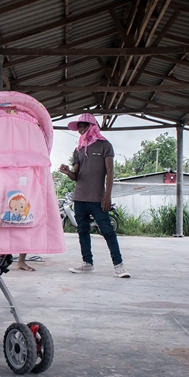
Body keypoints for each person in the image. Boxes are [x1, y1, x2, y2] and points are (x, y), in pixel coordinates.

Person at [58, 112, 130, 278]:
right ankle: (87, 263)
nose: (80, 129)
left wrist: (107, 196)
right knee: (82, 231)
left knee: (107, 231)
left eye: (83, 126)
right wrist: (67, 172)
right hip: (80, 198)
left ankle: (119, 266)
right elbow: (77, 176)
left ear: (92, 126)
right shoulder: (78, 150)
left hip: (98, 198)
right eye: (79, 127)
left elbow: (110, 172)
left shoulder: (105, 145)